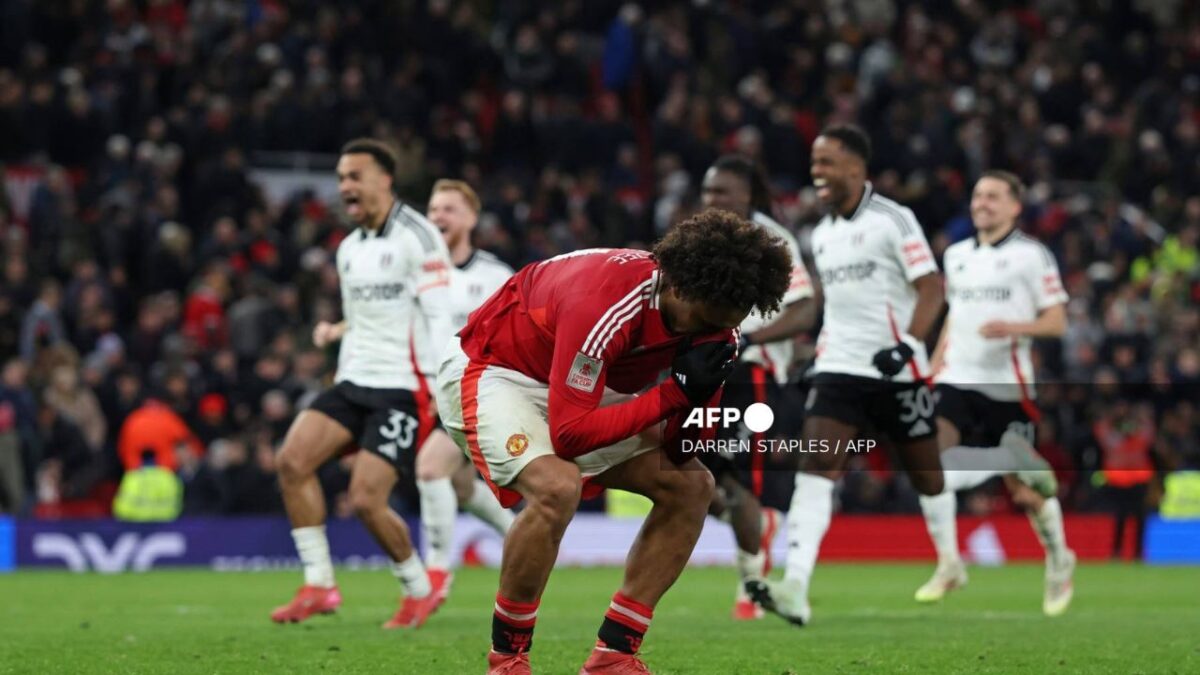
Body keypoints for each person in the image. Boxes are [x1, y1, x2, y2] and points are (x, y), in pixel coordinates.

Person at [436, 210, 792, 674]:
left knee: (691, 487)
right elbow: (569, 434)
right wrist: (674, 393)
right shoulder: (606, 301)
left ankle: (614, 655)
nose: (715, 334)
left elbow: (684, 447)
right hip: (494, 371)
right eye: (707, 321)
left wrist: (697, 397)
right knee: (556, 486)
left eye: (728, 324)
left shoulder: (716, 318)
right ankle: (508, 660)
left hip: (574, 384)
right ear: (679, 288)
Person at [750, 124, 948, 625]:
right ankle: (795, 585)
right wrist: (814, 354)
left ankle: (950, 560)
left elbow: (931, 288)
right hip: (839, 369)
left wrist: (906, 346)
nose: (816, 172)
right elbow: (835, 307)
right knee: (815, 468)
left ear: (856, 169)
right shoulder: (823, 234)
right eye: (814, 163)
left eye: (826, 163)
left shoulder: (893, 219)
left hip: (896, 369)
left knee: (926, 475)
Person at [269, 139, 454, 629]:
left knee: (367, 498)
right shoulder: (349, 249)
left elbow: (438, 316)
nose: (345, 187)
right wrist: (337, 335)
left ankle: (417, 590)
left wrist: (441, 381)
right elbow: (366, 318)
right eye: (341, 178)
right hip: (354, 380)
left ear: (384, 180)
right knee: (292, 461)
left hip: (403, 388)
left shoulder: (419, 236)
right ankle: (320, 585)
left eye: (354, 176)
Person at [916, 170, 1075, 616]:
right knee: (929, 461)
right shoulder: (958, 255)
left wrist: (1014, 326)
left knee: (1026, 493)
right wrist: (935, 361)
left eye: (992, 196)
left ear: (1014, 206)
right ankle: (949, 564)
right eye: (977, 196)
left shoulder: (1032, 256)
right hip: (957, 377)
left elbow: (1057, 322)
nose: (982, 203)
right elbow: (956, 314)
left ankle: (1060, 559)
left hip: (1006, 385)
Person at [698, 155, 815, 620]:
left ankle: (751, 589)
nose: (712, 201)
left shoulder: (772, 240)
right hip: (704, 372)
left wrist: (749, 336)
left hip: (753, 373)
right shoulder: (704, 241)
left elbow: (804, 309)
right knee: (695, 478)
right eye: (707, 192)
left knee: (737, 477)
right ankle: (758, 528)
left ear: (747, 195)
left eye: (721, 192)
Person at [414, 179, 516, 606]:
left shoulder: (495, 275)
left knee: (431, 468)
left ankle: (437, 571)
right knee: (457, 486)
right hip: (427, 391)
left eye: (449, 209)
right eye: (434, 209)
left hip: (477, 388)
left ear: (471, 218)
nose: (438, 216)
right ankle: (522, 534)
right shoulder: (416, 272)